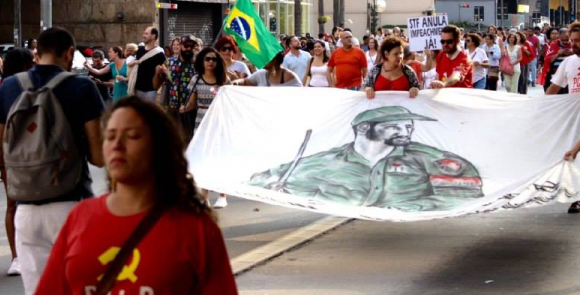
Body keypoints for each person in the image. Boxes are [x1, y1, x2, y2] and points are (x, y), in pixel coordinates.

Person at [35, 97, 237, 294]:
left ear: (159, 148)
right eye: (110, 136)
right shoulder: (80, 216)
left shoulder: (197, 228)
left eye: (132, 135)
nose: (117, 145)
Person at [0, 27, 105, 295]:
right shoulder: (82, 86)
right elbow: (98, 157)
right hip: (71, 203)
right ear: (69, 53)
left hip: (25, 210)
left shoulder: (9, 86)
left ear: (36, 54)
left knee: (39, 290)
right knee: (79, 287)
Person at [249, 107, 483, 211]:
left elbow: (463, 194)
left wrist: (405, 209)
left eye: (408, 126)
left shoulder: (430, 159)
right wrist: (273, 188)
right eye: (394, 126)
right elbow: (263, 178)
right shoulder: (325, 161)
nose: (406, 132)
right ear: (363, 128)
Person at [0, 47, 34, 274]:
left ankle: (16, 257)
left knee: (12, 204)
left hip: (9, 150)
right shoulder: (36, 84)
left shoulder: (1, 84)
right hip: (35, 151)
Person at [180, 48, 231, 209]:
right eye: (207, 59)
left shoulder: (224, 80)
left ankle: (223, 195)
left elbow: (230, 101)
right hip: (201, 121)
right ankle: (205, 195)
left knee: (220, 158)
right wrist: (184, 108)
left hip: (220, 121)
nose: (210, 62)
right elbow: (192, 103)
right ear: (202, 61)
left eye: (214, 59)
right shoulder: (196, 79)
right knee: (205, 158)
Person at [548, 22, 580, 213]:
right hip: (573, 117)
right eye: (572, 41)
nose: (573, 45)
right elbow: (554, 88)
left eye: (578, 41)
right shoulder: (569, 62)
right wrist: (536, 111)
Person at [154, 35, 197, 142]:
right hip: (172, 108)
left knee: (189, 140)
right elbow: (156, 85)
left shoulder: (198, 64)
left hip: (190, 109)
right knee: (172, 139)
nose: (189, 49)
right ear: (181, 46)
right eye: (186, 46)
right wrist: (157, 74)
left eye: (191, 47)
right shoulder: (169, 62)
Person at [129, 27, 166, 100]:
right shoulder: (140, 50)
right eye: (144, 33)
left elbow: (162, 73)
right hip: (137, 89)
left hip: (151, 91)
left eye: (146, 33)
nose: (143, 35)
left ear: (153, 36)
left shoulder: (159, 54)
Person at [234, 52, 302, 87]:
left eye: (265, 58)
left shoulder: (289, 76)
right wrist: (237, 82)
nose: (262, 61)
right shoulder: (261, 74)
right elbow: (245, 82)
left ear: (274, 60)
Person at [541, 27, 572, 93]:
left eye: (567, 40)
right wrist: (558, 53)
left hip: (569, 75)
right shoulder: (553, 44)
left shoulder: (573, 44)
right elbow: (548, 60)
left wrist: (572, 53)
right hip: (555, 75)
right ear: (559, 37)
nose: (565, 42)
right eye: (562, 40)